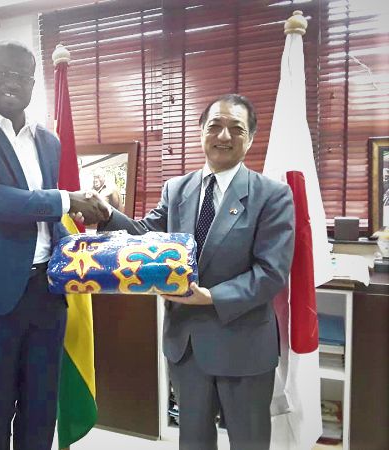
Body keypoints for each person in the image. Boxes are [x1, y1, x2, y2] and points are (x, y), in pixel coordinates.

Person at [85, 94, 295, 450]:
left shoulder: (272, 195)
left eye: (236, 129)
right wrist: (105, 215)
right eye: (214, 126)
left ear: (250, 138)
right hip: (187, 346)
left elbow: (271, 272)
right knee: (193, 441)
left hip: (242, 342)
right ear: (201, 132)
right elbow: (145, 238)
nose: (223, 136)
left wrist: (210, 297)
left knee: (250, 441)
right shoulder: (177, 188)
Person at [0, 40, 108, 450]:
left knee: (41, 409)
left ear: (33, 84)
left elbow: (44, 218)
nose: (12, 82)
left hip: (46, 294)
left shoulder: (48, 141)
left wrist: (87, 244)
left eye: (22, 76)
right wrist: (68, 199)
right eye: (2, 72)